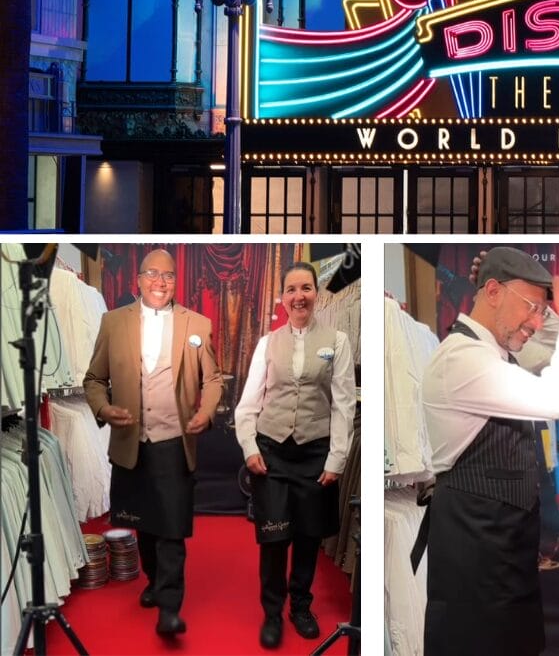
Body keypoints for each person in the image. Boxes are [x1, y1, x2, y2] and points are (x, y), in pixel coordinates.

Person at [414, 246, 559, 656]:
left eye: (539, 311)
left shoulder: (495, 353)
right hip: (474, 556)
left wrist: (544, 310)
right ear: (493, 291)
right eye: (530, 307)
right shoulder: (463, 359)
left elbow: (541, 345)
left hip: (501, 552)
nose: (535, 321)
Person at [84, 248, 222, 638]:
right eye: (153, 274)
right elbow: (93, 379)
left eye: (169, 276)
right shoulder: (113, 322)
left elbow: (213, 380)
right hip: (130, 442)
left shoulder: (198, 324)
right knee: (144, 523)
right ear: (138, 280)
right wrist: (105, 409)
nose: (161, 282)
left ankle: (169, 609)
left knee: (173, 527)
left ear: (176, 282)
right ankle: (153, 580)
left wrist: (206, 412)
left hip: (174, 441)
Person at [234, 261, 357, 649]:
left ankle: (300, 606)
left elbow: (343, 406)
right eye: (292, 289)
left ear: (315, 294)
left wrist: (336, 459)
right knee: (273, 540)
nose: (299, 296)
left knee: (306, 538)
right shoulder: (266, 343)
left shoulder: (337, 341)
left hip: (315, 453)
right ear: (283, 297)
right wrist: (250, 446)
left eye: (306, 288)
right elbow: (248, 402)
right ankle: (272, 611)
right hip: (271, 452)